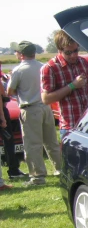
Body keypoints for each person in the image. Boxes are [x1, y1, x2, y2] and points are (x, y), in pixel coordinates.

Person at [8, 41, 63, 185]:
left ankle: (37, 176)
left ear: (20, 54)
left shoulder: (19, 70)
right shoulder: (43, 66)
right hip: (46, 107)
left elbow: (10, 91)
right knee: (51, 141)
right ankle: (60, 169)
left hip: (30, 107)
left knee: (33, 144)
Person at [41, 31, 88, 147]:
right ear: (59, 50)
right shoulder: (50, 67)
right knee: (72, 164)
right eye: (68, 52)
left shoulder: (82, 62)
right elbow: (46, 99)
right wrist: (72, 85)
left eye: (75, 50)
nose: (73, 55)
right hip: (70, 126)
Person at [0, 63, 27, 180]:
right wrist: (2, 116)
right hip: (1, 111)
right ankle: (13, 170)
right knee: (8, 141)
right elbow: (3, 96)